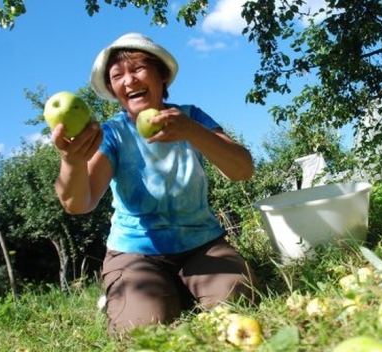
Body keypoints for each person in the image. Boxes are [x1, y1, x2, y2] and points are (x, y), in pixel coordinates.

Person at [50, 32, 258, 334]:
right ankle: (143, 293)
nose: (129, 80)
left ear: (162, 76)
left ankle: (180, 288)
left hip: (203, 244)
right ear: (113, 89)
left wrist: (191, 131)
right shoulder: (113, 133)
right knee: (141, 330)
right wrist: (71, 161)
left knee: (236, 304)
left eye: (137, 69)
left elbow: (242, 170)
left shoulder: (191, 117)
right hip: (135, 253)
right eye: (117, 75)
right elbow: (77, 203)